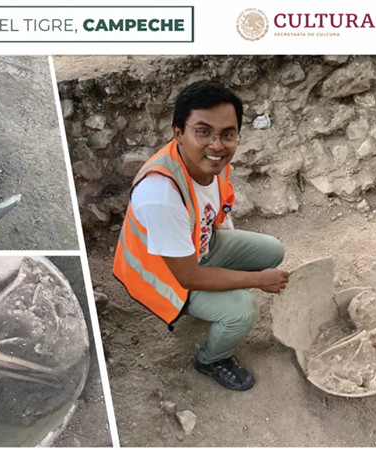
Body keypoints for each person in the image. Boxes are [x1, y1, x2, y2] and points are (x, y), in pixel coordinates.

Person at [113, 80, 289, 391]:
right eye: (203, 131)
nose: (217, 145)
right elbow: (188, 277)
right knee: (244, 310)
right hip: (167, 278)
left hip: (199, 248)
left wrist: (236, 271)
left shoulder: (212, 163)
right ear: (178, 132)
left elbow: (217, 213)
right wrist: (257, 281)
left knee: (272, 250)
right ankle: (210, 360)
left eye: (227, 134)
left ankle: (219, 301)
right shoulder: (161, 194)